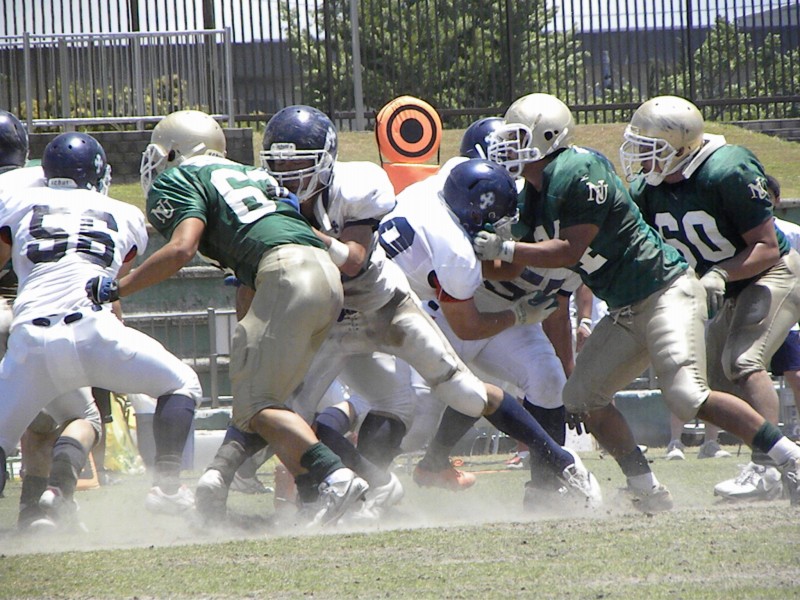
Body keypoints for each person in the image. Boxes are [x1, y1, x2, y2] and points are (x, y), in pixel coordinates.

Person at [475, 92, 800, 510]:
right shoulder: (533, 194)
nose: (509, 148)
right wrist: (473, 254)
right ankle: (645, 487)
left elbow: (568, 251)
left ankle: (788, 458)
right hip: (625, 309)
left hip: (667, 292)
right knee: (580, 399)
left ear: (549, 137)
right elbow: (513, 264)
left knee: (687, 395)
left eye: (518, 138)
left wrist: (505, 249)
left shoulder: (580, 169)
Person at [89, 109, 369, 528]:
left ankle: (337, 478)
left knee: (256, 405)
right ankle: (313, 497)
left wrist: (118, 287)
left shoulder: (179, 177)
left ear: (173, 152)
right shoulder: (251, 173)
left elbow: (182, 249)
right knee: (271, 403)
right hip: (323, 275)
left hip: (285, 274)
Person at [0, 131, 204, 529]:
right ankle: (167, 487)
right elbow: (114, 280)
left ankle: (34, 511)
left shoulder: (20, 201)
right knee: (181, 384)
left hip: (31, 340)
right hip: (94, 330)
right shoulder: (124, 213)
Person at [379, 156, 602, 509]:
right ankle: (365, 476)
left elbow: (535, 291)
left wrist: (569, 372)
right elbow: (468, 324)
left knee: (547, 378)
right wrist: (518, 312)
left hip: (487, 308)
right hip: (447, 309)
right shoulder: (457, 244)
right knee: (419, 415)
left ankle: (545, 490)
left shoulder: (464, 184)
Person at [621, 95, 800, 501]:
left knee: (743, 361)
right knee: (712, 380)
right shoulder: (649, 189)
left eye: (651, 148)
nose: (642, 158)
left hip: (772, 273)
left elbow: (768, 247)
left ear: (680, 146)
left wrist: (719, 273)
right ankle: (774, 459)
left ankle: (769, 468)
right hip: (729, 288)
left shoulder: (726, 169)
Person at [766, 174, 800, 441]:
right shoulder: (738, 232)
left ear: (776, 200)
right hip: (753, 312)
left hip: (787, 313)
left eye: (767, 196)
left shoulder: (793, 232)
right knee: (745, 374)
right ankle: (764, 435)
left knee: (795, 373)